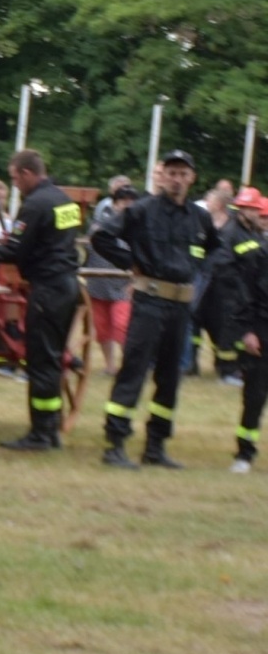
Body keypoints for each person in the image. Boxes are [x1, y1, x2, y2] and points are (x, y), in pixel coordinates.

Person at [92, 149, 221, 469]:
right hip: (149, 301)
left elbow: (217, 250)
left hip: (180, 306)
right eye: (172, 173)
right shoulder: (142, 211)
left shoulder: (199, 217)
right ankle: (115, 445)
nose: (177, 179)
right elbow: (102, 237)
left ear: (192, 178)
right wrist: (130, 263)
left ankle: (156, 446)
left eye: (183, 174)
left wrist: (199, 266)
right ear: (162, 175)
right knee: (133, 371)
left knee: (169, 377)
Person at [0, 149, 81, 451]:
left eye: (15, 178)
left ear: (27, 173)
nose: (14, 185)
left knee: (39, 361)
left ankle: (40, 434)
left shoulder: (35, 205)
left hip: (47, 290)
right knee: (51, 360)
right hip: (68, 287)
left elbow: (14, 251)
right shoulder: (66, 201)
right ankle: (49, 430)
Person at [225, 187, 268, 472]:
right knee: (254, 395)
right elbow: (245, 296)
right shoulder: (259, 255)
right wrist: (248, 331)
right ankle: (244, 454)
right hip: (262, 332)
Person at [84, 185, 139, 374]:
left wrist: (134, 283)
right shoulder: (99, 227)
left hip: (124, 286)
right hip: (98, 285)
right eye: (124, 203)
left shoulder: (140, 231)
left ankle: (130, 366)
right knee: (102, 329)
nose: (127, 207)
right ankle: (110, 366)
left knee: (121, 325)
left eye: (131, 203)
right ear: (115, 204)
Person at [193, 186, 243, 385]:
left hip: (225, 287)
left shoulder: (233, 228)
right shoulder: (206, 224)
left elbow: (227, 256)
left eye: (210, 200)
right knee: (196, 323)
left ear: (220, 204)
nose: (207, 203)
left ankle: (227, 369)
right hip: (205, 284)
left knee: (222, 327)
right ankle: (190, 364)